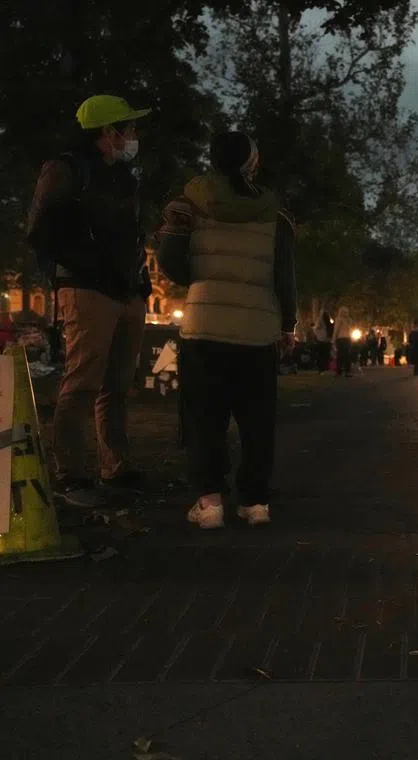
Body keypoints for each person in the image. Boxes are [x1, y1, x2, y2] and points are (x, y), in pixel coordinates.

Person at [156, 130, 297, 529]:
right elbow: (284, 277)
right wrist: (287, 325)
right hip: (257, 331)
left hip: (204, 329)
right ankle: (254, 502)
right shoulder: (274, 213)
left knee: (205, 419)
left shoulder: (187, 205)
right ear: (252, 163)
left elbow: (169, 258)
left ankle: (210, 501)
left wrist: (199, 280)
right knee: (256, 422)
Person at [25, 94, 153, 508]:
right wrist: (83, 269)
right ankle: (71, 475)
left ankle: (115, 466)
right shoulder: (65, 170)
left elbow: (133, 235)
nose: (134, 136)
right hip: (87, 289)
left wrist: (139, 281)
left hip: (126, 290)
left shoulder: (124, 177)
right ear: (107, 132)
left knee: (117, 385)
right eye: (128, 128)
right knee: (81, 383)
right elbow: (42, 232)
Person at [332, 306, 354, 377]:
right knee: (345, 355)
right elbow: (349, 330)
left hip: (342, 338)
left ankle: (340, 371)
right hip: (346, 338)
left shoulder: (340, 319)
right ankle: (345, 371)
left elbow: (336, 330)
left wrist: (333, 339)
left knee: (341, 355)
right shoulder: (347, 320)